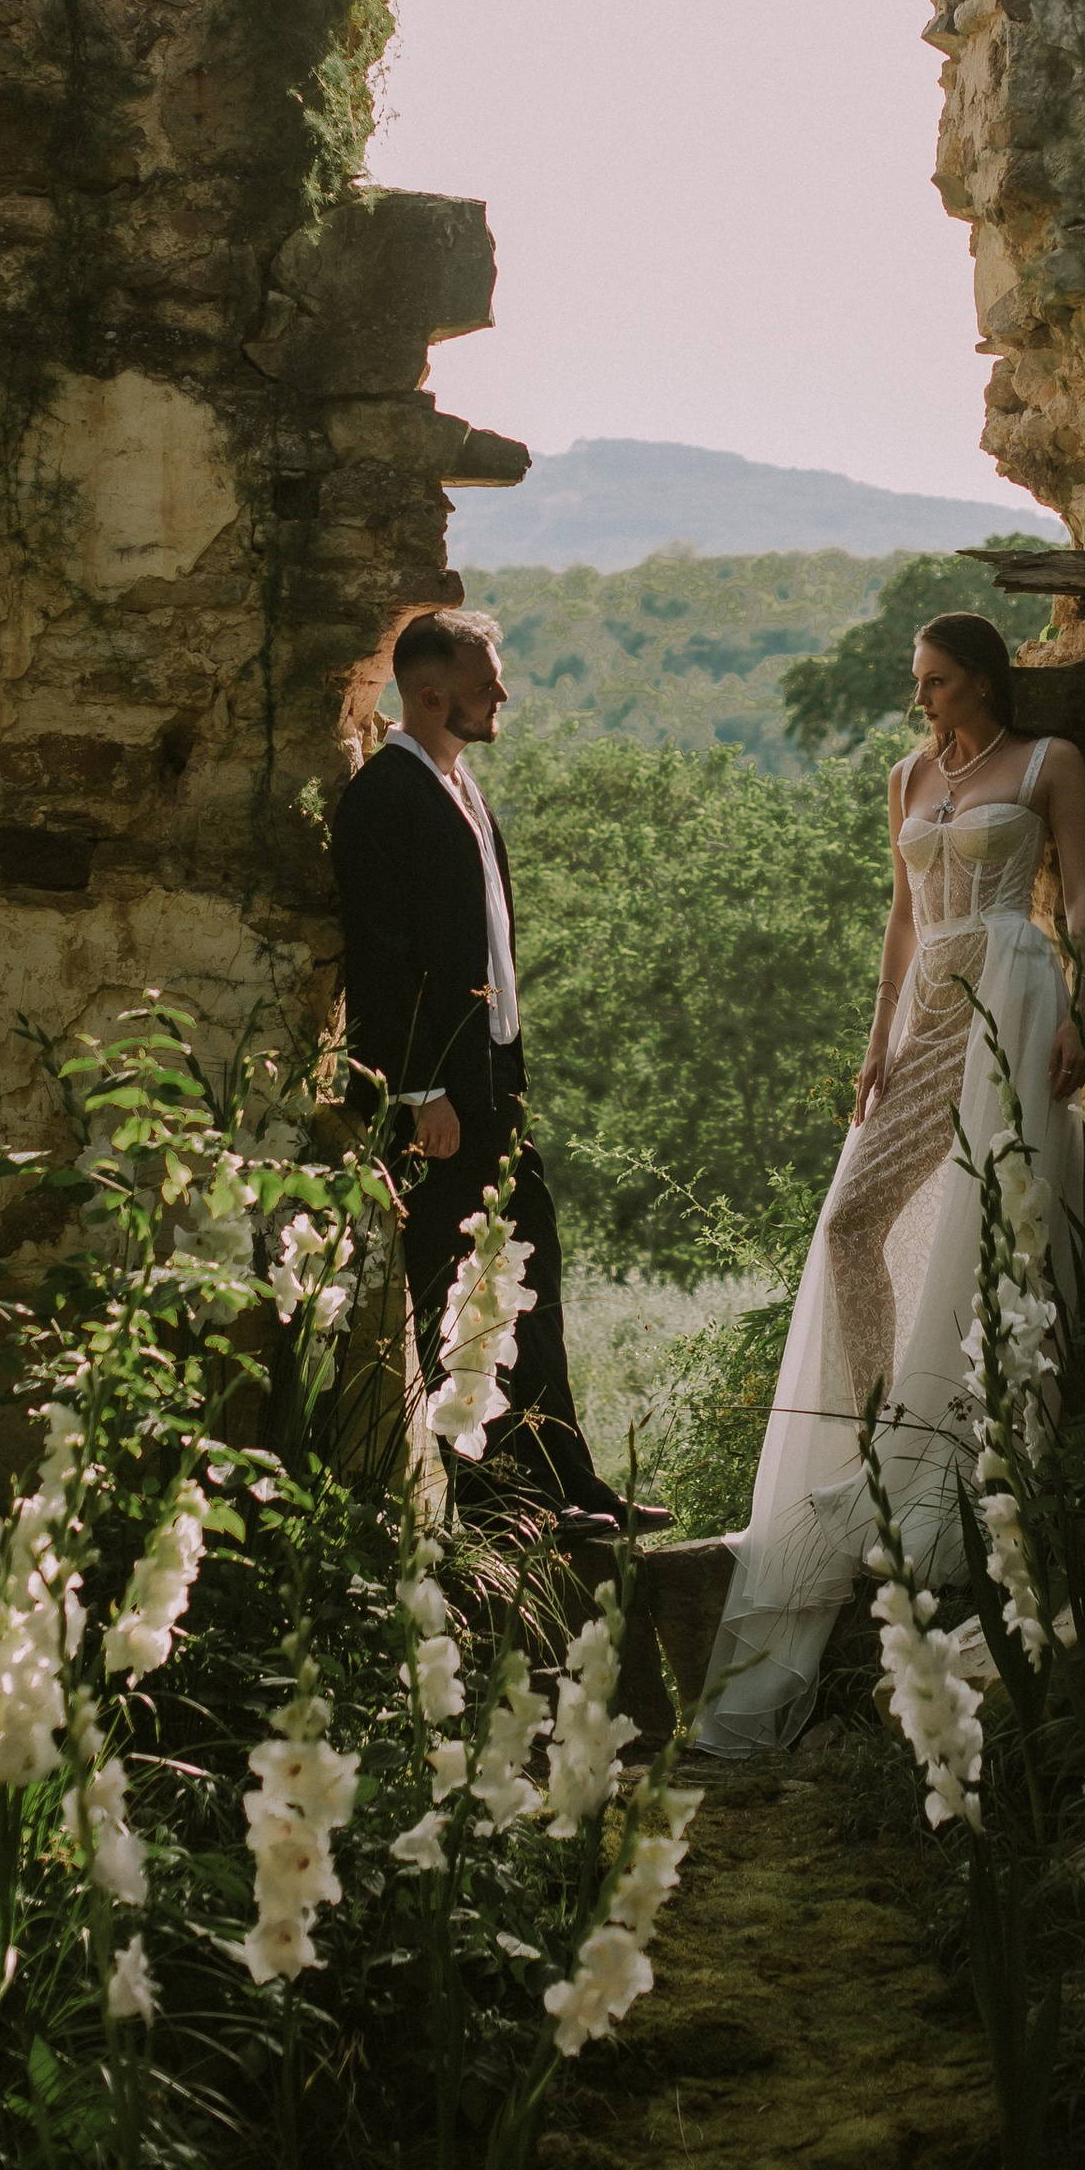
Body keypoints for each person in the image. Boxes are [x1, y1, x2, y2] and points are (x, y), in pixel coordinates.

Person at [694, 611, 1085, 1754]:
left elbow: (1077, 900)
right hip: (929, 1009)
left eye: (933, 681)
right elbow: (899, 918)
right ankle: (880, 1430)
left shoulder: (1048, 765)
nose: (918, 697)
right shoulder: (908, 775)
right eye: (916, 681)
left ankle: (976, 1445)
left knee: (995, 1222)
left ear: (979, 680)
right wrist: (873, 1041)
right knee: (851, 1221)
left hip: (1015, 992)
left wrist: (1082, 1009)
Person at [330, 608, 652, 1534]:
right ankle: (506, 1506)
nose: (502, 694)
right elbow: (378, 955)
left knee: (527, 1271)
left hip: (491, 1078)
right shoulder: (386, 798)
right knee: (458, 1297)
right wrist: (419, 1090)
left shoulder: (455, 780)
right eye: (485, 683)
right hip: (435, 1092)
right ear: (430, 695)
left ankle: (571, 1485)